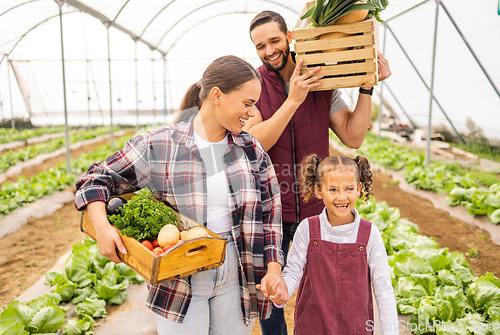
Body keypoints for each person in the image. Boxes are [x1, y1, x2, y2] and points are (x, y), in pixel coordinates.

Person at [74, 55, 287, 334]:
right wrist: (102, 227)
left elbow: (270, 214)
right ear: (216, 96)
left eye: (255, 104)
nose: (252, 112)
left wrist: (273, 268)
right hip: (179, 272)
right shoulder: (160, 144)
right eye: (248, 103)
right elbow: (96, 179)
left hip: (237, 270)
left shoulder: (251, 149)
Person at [246, 11, 392, 334]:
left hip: (317, 214)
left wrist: (367, 89)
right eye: (260, 46)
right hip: (271, 215)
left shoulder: (322, 80)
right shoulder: (253, 86)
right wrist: (294, 99)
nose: (269, 50)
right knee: (271, 303)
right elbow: (255, 142)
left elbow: (353, 136)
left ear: (290, 37)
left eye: (274, 41)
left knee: (323, 300)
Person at [264, 154, 399, 334]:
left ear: (359, 189)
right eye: (333, 189)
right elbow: (292, 273)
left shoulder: (369, 234)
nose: (342, 197)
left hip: (355, 328)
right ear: (318, 191)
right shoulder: (307, 229)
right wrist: (282, 292)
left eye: (349, 188)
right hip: (312, 327)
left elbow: (384, 290)